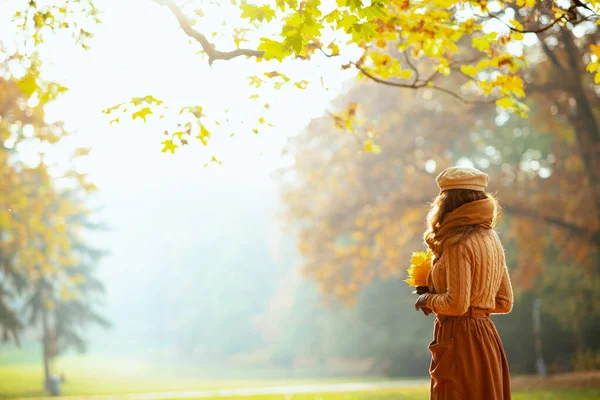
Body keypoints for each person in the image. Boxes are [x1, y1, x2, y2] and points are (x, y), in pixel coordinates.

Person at [414, 166, 514, 400]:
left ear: (447, 202)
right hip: (486, 338)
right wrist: (478, 306)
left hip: (459, 339)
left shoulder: (456, 241)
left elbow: (457, 304)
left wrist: (427, 299)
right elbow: (504, 302)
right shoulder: (492, 238)